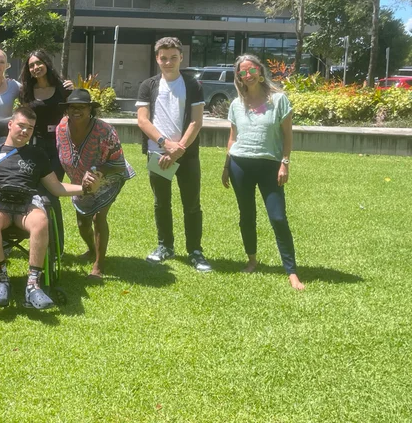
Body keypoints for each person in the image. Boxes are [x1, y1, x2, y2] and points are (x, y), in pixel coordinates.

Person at [0, 106, 100, 310]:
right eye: (21, 126)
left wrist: (86, 189)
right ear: (10, 125)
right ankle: (2, 281)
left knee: (41, 220)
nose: (25, 131)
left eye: (30, 128)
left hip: (27, 202)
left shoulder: (38, 155)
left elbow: (57, 187)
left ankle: (33, 285)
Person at [222, 54, 305, 291]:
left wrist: (285, 162)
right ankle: (252, 260)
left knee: (278, 218)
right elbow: (232, 138)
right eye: (242, 72)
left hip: (270, 166)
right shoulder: (237, 103)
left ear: (260, 71)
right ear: (238, 76)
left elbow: (288, 135)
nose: (247, 75)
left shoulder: (279, 100)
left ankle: (291, 272)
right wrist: (226, 166)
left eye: (251, 70)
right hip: (240, 165)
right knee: (246, 216)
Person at [136, 37, 211, 272]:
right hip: (158, 153)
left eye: (173, 57)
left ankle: (195, 251)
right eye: (164, 58)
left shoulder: (193, 85)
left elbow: (197, 122)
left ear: (181, 58)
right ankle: (164, 246)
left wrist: (178, 150)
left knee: (192, 204)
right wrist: (164, 144)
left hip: (186, 155)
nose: (168, 62)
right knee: (162, 203)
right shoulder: (148, 85)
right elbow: (142, 119)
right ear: (157, 59)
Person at [56, 89, 135, 279]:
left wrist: (95, 174)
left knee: (98, 217)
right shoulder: (61, 128)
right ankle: (92, 250)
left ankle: (99, 265)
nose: (76, 111)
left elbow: (117, 164)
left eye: (82, 107)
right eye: (72, 107)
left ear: (90, 109)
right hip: (80, 182)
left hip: (109, 177)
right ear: (67, 110)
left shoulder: (105, 130)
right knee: (83, 222)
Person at [19, 50, 74, 250]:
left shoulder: (62, 88)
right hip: (35, 146)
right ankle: (41, 238)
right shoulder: (26, 91)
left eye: (39, 63)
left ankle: (56, 245)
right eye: (31, 65)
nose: (35, 68)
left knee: (52, 192)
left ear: (47, 64)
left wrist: (74, 91)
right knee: (37, 192)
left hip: (58, 147)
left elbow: (77, 110)